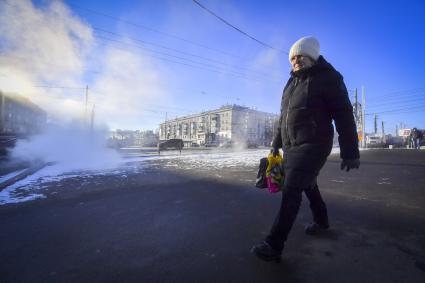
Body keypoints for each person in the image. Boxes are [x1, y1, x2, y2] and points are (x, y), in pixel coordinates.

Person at [251, 36, 360, 262]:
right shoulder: (291, 84)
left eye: (300, 56)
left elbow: (344, 114)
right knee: (308, 184)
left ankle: (274, 244)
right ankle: (322, 220)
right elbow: (284, 118)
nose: (296, 61)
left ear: (312, 55)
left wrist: (350, 151)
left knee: (292, 189)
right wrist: (275, 146)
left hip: (315, 143)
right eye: (292, 58)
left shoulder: (329, 78)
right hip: (293, 146)